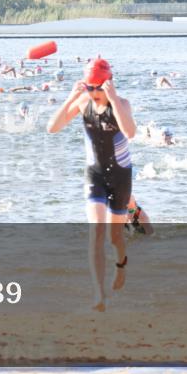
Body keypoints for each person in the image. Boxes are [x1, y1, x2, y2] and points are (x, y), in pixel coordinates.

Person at [47, 56, 137, 312]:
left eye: (99, 87)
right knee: (96, 233)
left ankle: (121, 265)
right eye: (91, 87)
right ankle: (100, 296)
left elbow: (130, 132)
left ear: (108, 83)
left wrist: (114, 98)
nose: (94, 93)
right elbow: (52, 128)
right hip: (94, 175)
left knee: (114, 237)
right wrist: (70, 97)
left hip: (120, 176)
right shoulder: (83, 100)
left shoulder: (122, 104)